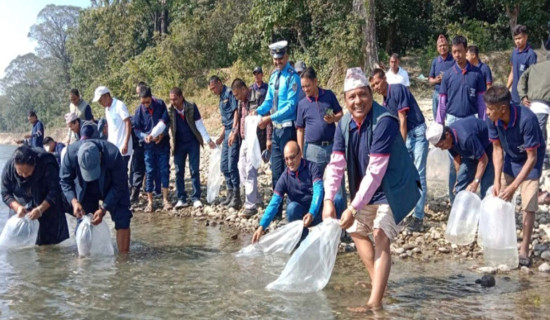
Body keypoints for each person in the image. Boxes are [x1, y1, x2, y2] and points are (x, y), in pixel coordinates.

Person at [323, 68, 420, 311]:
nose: (357, 101)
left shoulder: (384, 121)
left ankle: (375, 304)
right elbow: (335, 164)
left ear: (370, 94)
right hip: (366, 189)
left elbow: (376, 171)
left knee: (380, 235)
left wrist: (353, 207)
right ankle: (378, 282)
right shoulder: (344, 123)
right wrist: (327, 200)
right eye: (351, 97)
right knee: (356, 232)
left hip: (392, 188)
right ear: (345, 100)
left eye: (362, 95)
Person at [485, 85, 545, 268]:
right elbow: (497, 149)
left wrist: (514, 187)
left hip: (530, 161)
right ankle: (501, 242)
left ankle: (524, 249)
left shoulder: (528, 120)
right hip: (511, 159)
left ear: (503, 108)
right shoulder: (493, 119)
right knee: (498, 198)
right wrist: (497, 180)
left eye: (490, 109)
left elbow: (532, 158)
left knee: (528, 205)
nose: (487, 112)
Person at [370, 68, 428, 232]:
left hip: (416, 133)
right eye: (373, 85)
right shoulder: (385, 101)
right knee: (407, 174)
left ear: (384, 79)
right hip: (407, 135)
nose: (376, 87)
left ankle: (419, 217)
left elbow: (402, 120)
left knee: (419, 174)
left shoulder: (397, 89)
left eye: (377, 83)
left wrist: (400, 147)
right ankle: (409, 211)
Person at [436, 35, 487, 204]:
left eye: (460, 51)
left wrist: (484, 120)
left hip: (470, 121)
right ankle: (455, 200)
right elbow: (442, 102)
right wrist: (439, 125)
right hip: (452, 121)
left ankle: (473, 195)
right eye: (454, 51)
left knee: (474, 158)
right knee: (454, 162)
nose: (457, 55)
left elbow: (481, 101)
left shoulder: (477, 74)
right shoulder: (449, 75)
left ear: (466, 51)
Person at [60, 140, 133, 253]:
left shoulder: (113, 154)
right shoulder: (70, 154)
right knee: (84, 221)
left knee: (122, 217)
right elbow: (64, 181)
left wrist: (103, 208)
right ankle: (84, 260)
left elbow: (119, 185)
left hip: (110, 185)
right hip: (86, 188)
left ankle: (123, 260)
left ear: (100, 156)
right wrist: (74, 201)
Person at [252, 141, 323, 243]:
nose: (290, 162)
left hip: (316, 212)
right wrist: (261, 226)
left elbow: (318, 191)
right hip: (300, 216)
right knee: (291, 208)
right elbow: (274, 203)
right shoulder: (284, 178)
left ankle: (338, 234)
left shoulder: (312, 168)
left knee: (337, 200)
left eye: (292, 157)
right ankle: (302, 239)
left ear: (300, 154)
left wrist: (312, 213)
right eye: (286, 159)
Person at [256, 40, 301, 191]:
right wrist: (258, 111)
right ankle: (277, 208)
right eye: (275, 59)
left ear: (286, 57)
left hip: (288, 129)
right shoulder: (274, 76)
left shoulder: (292, 77)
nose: (278, 62)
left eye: (280, 58)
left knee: (290, 168)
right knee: (276, 171)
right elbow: (269, 101)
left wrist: (269, 118)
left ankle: (292, 204)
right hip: (276, 130)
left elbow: (290, 106)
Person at [1, 146, 69, 245]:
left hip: (47, 205)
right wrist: (18, 207)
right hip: (22, 207)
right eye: (20, 173)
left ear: (34, 165)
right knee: (21, 247)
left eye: (27, 172)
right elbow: (5, 192)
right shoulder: (10, 167)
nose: (24, 176)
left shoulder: (46, 164)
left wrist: (40, 209)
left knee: (47, 247)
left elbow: (55, 191)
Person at [168, 87, 215, 209]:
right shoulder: (170, 110)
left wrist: (208, 140)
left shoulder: (191, 107)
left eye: (175, 99)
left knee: (194, 170)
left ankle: (196, 198)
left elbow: (199, 124)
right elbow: (163, 124)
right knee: (178, 172)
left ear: (181, 97)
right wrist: (153, 135)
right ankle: (181, 198)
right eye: (171, 99)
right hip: (178, 144)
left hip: (192, 142)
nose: (173, 102)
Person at [426, 119, 494, 199]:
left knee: (485, 189)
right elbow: (456, 157)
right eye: (439, 147)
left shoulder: (466, 138)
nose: (442, 149)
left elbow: (483, 160)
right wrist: (458, 179)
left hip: (487, 149)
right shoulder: (449, 142)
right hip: (470, 153)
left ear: (447, 135)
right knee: (459, 188)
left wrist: (475, 182)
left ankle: (484, 208)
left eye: (441, 145)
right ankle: (464, 210)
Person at [133, 87, 172, 212]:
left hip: (163, 143)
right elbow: (137, 130)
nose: (145, 105)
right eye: (143, 102)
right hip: (148, 146)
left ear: (151, 98)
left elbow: (166, 121)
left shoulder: (160, 104)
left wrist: (162, 134)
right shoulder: (139, 111)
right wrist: (145, 137)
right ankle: (150, 202)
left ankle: (165, 199)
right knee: (150, 172)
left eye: (147, 102)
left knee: (164, 169)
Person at [232, 78, 267, 217]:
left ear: (243, 89)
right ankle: (256, 198)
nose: (236, 98)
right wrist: (234, 133)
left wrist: (268, 139)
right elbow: (240, 118)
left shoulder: (258, 97)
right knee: (241, 167)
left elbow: (267, 117)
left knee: (251, 170)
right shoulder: (241, 102)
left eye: (237, 94)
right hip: (245, 139)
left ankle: (250, 205)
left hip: (256, 139)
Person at [209, 76, 241, 209]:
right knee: (224, 166)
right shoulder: (221, 98)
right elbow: (224, 121)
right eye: (211, 89)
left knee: (232, 164)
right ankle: (230, 193)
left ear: (219, 83)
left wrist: (234, 131)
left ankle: (236, 197)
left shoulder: (229, 93)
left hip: (233, 132)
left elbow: (236, 113)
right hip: (226, 131)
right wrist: (221, 137)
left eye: (214, 88)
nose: (213, 91)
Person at [518, 59, 550, 169]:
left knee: (534, 133)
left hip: (529, 105)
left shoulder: (534, 67)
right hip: (543, 106)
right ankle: (538, 162)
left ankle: (541, 159)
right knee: (539, 136)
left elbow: (521, 79)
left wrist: (523, 96)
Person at [93, 86, 133, 168]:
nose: (100, 103)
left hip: (122, 147)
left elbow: (128, 123)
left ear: (106, 96)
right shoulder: (107, 109)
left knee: (122, 174)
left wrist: (125, 144)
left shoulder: (119, 105)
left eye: (101, 100)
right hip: (113, 147)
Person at [507, 24, 537, 105]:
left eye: (519, 38)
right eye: (515, 39)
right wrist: (506, 89)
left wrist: (525, 96)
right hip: (514, 96)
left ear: (526, 37)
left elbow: (532, 78)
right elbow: (512, 72)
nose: (517, 41)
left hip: (524, 97)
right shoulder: (514, 52)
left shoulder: (531, 54)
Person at [429, 35, 455, 120]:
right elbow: (430, 80)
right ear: (437, 48)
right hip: (437, 93)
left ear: (448, 46)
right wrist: (436, 80)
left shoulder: (454, 60)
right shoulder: (435, 61)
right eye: (440, 46)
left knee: (450, 120)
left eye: (444, 45)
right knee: (438, 120)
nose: (442, 47)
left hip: (450, 94)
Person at [250, 66, 272, 154]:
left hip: (265, 115)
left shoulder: (267, 87)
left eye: (258, 73)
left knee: (266, 138)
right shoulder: (251, 88)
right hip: (255, 116)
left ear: (262, 75)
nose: (256, 76)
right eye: (255, 74)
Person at [129, 116, 145, 203]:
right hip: (139, 146)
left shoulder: (131, 122)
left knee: (137, 170)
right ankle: (133, 193)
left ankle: (134, 193)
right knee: (135, 169)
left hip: (140, 145)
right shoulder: (133, 120)